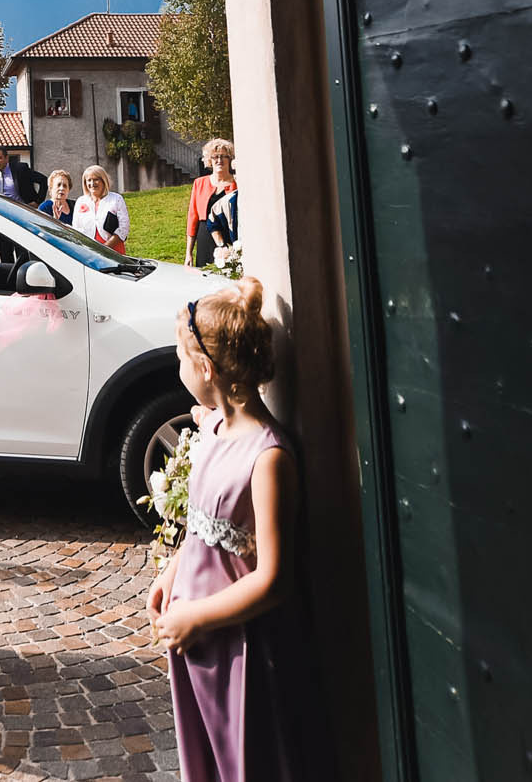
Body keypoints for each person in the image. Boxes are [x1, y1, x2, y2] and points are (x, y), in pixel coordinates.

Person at [147, 276, 329, 780]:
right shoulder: (214, 428)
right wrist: (174, 571)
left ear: (206, 368)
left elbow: (274, 578)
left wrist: (198, 617)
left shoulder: (267, 458)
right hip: (199, 640)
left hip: (239, 648)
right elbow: (204, 526)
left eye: (183, 358)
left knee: (246, 760)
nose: (179, 367)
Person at [186, 140, 238, 267]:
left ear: (230, 159)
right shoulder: (199, 183)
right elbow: (193, 219)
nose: (219, 160)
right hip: (205, 239)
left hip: (229, 238)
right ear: (209, 160)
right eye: (215, 156)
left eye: (224, 156)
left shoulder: (237, 183)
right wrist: (189, 252)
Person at [73, 165, 129, 253]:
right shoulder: (80, 201)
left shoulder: (116, 199)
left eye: (96, 179)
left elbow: (124, 228)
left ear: (104, 181)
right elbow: (76, 229)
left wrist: (105, 248)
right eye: (89, 180)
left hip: (114, 250)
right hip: (89, 251)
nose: (92, 183)